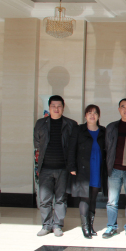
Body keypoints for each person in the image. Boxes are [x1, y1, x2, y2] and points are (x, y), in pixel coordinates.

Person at [33, 95, 78, 237]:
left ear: (63, 108)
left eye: (59, 106)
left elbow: (74, 146)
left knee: (60, 199)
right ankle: (46, 225)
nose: (56, 109)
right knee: (44, 199)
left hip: (63, 169)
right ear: (49, 107)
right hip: (45, 168)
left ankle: (57, 225)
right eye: (53, 106)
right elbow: (36, 143)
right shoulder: (40, 123)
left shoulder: (71, 124)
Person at [102, 98, 126, 240]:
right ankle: (111, 227)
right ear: (119, 109)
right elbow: (106, 148)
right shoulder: (111, 127)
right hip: (114, 170)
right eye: (123, 107)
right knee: (112, 201)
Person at [68, 105, 107, 239]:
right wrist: (72, 167)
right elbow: (71, 149)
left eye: (95, 113)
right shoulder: (78, 130)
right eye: (89, 113)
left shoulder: (103, 131)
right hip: (83, 169)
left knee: (93, 198)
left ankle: (91, 226)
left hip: (97, 168)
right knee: (85, 197)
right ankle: (85, 227)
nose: (92, 115)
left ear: (98, 116)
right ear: (85, 115)